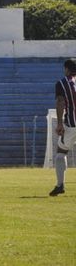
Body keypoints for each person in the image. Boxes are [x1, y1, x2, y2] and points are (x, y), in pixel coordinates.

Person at [49, 59, 76, 196]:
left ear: (66, 69)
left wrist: (59, 123)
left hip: (72, 125)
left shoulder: (62, 83)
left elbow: (60, 102)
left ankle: (60, 185)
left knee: (61, 152)